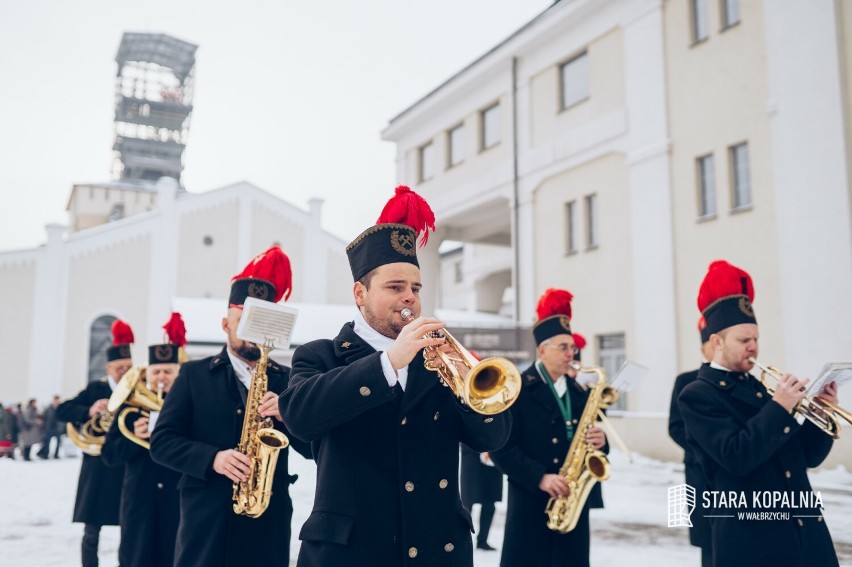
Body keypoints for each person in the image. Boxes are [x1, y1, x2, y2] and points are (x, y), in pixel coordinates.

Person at [279, 185, 512, 567]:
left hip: (436, 549)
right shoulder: (319, 355)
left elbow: (492, 437)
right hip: (353, 553)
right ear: (360, 293)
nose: (410, 298)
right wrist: (387, 363)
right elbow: (300, 418)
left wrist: (467, 381)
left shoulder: (437, 361)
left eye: (415, 288)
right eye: (395, 287)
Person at [151, 246, 312, 567]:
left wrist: (290, 413)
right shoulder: (194, 375)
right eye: (245, 322)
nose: (254, 333)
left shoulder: (288, 379)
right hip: (206, 520)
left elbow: (312, 450)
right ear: (226, 325)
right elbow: (162, 442)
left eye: (262, 323)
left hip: (268, 520)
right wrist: (213, 458)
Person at [678, 260, 840, 567]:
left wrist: (818, 415)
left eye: (756, 339)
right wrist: (779, 408)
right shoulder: (698, 394)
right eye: (743, 341)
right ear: (717, 342)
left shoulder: (760, 387)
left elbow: (807, 458)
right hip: (753, 539)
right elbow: (737, 457)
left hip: (803, 532)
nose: (753, 347)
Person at [491, 288, 607, 567]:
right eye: (564, 347)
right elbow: (501, 448)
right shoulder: (517, 388)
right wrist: (540, 477)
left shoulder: (581, 393)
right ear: (542, 350)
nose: (571, 353)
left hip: (572, 503)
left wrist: (602, 440)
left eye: (573, 348)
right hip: (531, 502)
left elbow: (599, 448)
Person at [102, 312, 187, 567]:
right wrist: (134, 438)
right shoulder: (130, 408)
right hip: (139, 499)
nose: (161, 377)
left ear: (178, 373)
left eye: (168, 372)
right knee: (136, 557)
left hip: (177, 498)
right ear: (146, 374)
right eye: (156, 371)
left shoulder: (189, 406)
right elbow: (109, 454)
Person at [57, 319, 132, 567]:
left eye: (128, 367)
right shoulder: (95, 388)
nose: (123, 372)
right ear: (109, 367)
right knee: (92, 531)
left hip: (124, 465)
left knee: (129, 526)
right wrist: (89, 410)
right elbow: (63, 410)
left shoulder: (136, 389)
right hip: (97, 467)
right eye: (119, 368)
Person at [668, 317, 714, 566]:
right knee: (709, 543)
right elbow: (675, 427)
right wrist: (706, 448)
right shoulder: (686, 381)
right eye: (711, 342)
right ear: (703, 348)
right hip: (699, 471)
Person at [459, 445, 503, 551]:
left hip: (491, 459)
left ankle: (482, 541)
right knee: (467, 505)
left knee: (490, 504)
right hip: (471, 458)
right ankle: (461, 540)